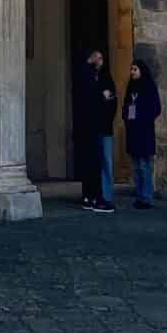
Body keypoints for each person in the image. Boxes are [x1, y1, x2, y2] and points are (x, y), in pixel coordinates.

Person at [73, 46, 117, 211]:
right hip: (90, 127)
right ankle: (95, 198)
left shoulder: (101, 77)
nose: (99, 61)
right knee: (93, 162)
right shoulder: (87, 76)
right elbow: (91, 98)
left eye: (101, 59)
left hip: (97, 126)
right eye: (97, 58)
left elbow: (110, 100)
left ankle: (96, 196)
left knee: (98, 162)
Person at [122, 57, 161, 208]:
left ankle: (147, 198)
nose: (132, 72)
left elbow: (156, 108)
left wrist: (143, 118)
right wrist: (126, 117)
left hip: (144, 131)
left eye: (135, 69)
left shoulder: (149, 87)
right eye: (131, 69)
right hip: (133, 131)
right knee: (136, 167)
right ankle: (139, 196)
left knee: (145, 166)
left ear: (141, 71)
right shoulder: (131, 87)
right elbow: (126, 106)